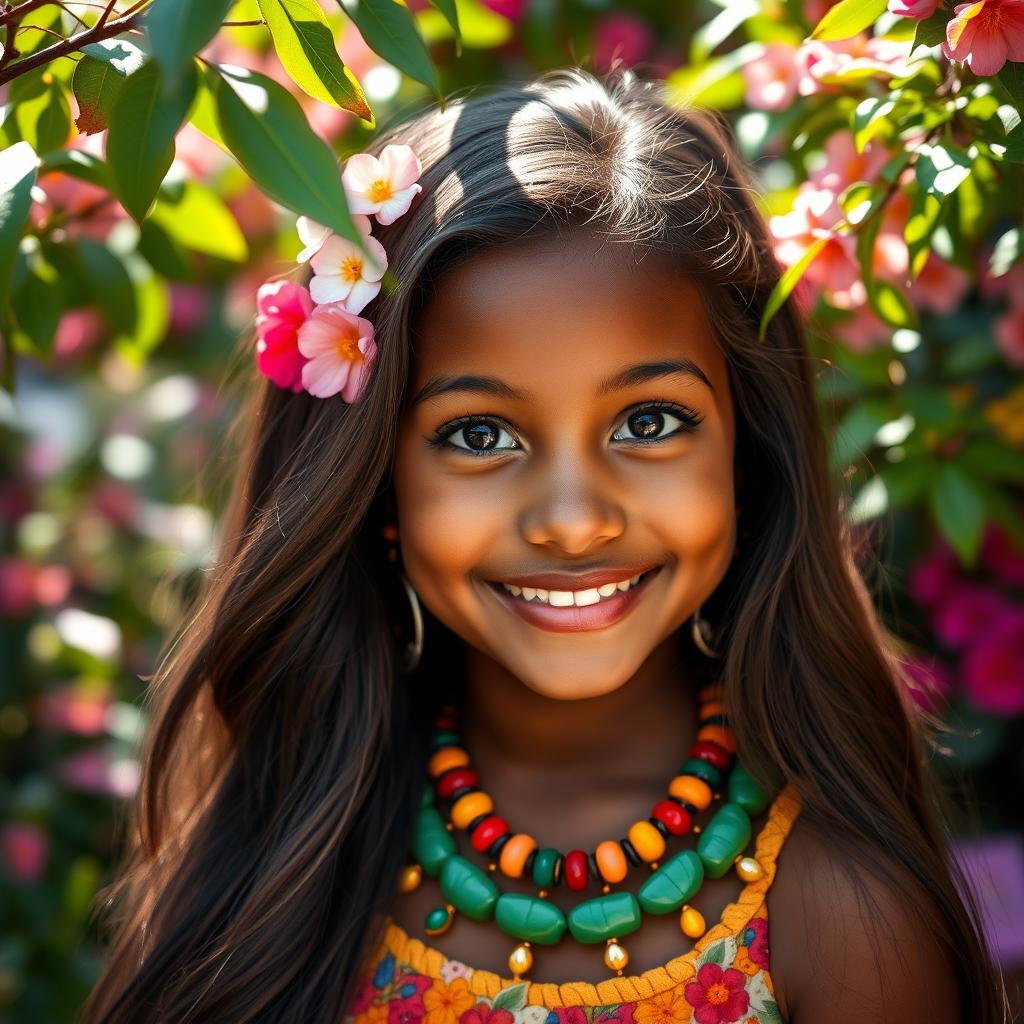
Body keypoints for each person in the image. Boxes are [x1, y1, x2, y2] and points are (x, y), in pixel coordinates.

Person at [79, 66, 1010, 1024]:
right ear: (373, 484)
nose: (572, 520)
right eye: (480, 435)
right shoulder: (279, 874)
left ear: (748, 451)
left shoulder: (843, 918)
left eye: (649, 422)